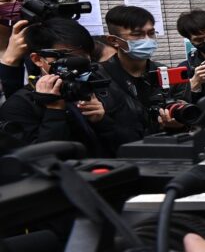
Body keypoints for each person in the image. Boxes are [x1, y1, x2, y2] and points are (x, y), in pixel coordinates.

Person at [0, 17, 126, 154]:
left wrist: (102, 121)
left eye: (82, 58)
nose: (75, 66)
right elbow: (37, 162)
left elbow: (129, 147)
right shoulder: (20, 105)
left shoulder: (100, 89)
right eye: (66, 58)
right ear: (37, 59)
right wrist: (54, 112)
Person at [99, 4, 189, 141]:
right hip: (118, 156)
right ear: (114, 40)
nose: (147, 40)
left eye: (151, 33)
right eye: (137, 35)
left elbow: (187, 120)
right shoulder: (98, 78)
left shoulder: (170, 75)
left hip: (166, 152)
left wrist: (179, 124)